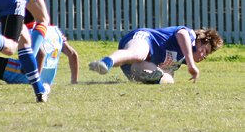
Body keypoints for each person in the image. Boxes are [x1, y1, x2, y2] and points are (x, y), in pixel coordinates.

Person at [89, 26, 223, 84]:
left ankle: (150, 78)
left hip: (133, 67)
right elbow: (181, 34)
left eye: (207, 55)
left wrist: (163, 77)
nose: (204, 56)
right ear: (200, 41)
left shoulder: (180, 60)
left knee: (167, 77)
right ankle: (105, 62)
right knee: (138, 54)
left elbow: (168, 72)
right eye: (205, 51)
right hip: (144, 39)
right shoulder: (191, 36)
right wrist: (191, 64)